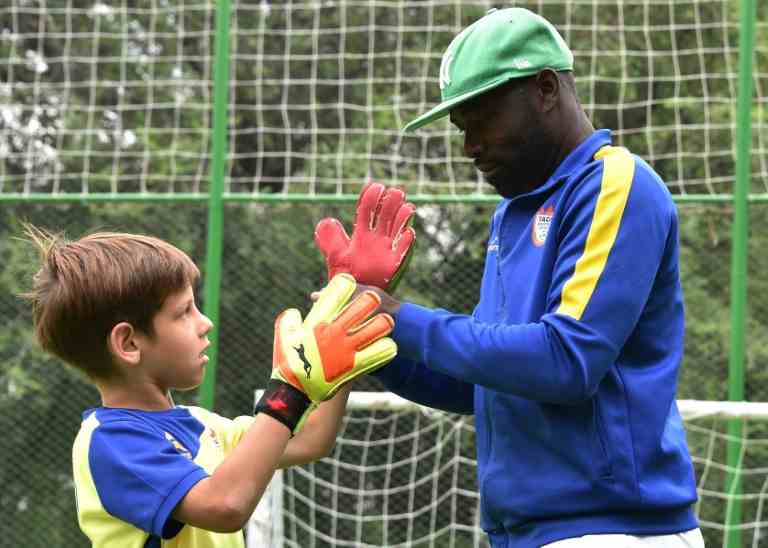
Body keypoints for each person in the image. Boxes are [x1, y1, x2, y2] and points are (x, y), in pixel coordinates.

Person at [332, 7, 704, 548]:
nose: (470, 147)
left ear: (546, 88)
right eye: (462, 129)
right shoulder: (514, 214)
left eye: (481, 120)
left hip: (611, 530)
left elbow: (566, 361)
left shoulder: (614, 183)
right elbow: (487, 380)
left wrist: (397, 318)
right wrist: (368, 341)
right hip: (525, 532)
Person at [22, 226, 396, 548]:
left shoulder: (203, 426)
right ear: (129, 344)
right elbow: (224, 505)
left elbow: (310, 437)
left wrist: (342, 322)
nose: (205, 323)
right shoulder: (111, 442)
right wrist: (290, 388)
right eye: (184, 312)